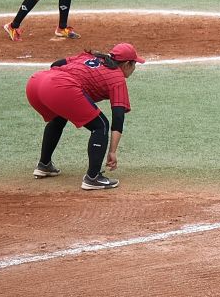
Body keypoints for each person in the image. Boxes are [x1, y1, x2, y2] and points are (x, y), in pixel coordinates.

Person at [26, 42, 139, 190]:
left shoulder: (91, 57)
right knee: (101, 125)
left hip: (36, 82)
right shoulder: (117, 78)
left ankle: (44, 165)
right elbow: (118, 118)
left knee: (59, 117)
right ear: (127, 64)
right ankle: (93, 178)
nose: (134, 68)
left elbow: (56, 64)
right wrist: (112, 151)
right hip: (59, 86)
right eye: (134, 64)